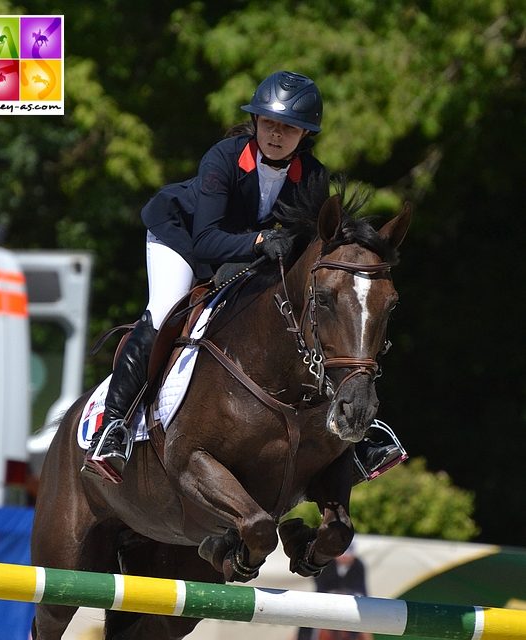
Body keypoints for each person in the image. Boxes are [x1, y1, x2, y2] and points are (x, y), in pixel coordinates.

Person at [82, 70, 404, 483]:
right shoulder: (223, 158)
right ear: (255, 123)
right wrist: (257, 243)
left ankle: (360, 436)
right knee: (163, 311)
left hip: (248, 256)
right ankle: (114, 426)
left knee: (324, 320)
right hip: (182, 239)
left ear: (305, 135)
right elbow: (205, 240)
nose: (275, 134)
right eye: (269, 123)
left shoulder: (314, 176)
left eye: (288, 127)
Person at [279, 542, 387, 640]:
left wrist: (351, 594)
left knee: (364, 629)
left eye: (348, 556)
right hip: (326, 603)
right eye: (343, 556)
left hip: (350, 606)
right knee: (309, 622)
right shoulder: (326, 563)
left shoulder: (359, 565)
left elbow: (363, 589)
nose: (345, 559)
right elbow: (320, 585)